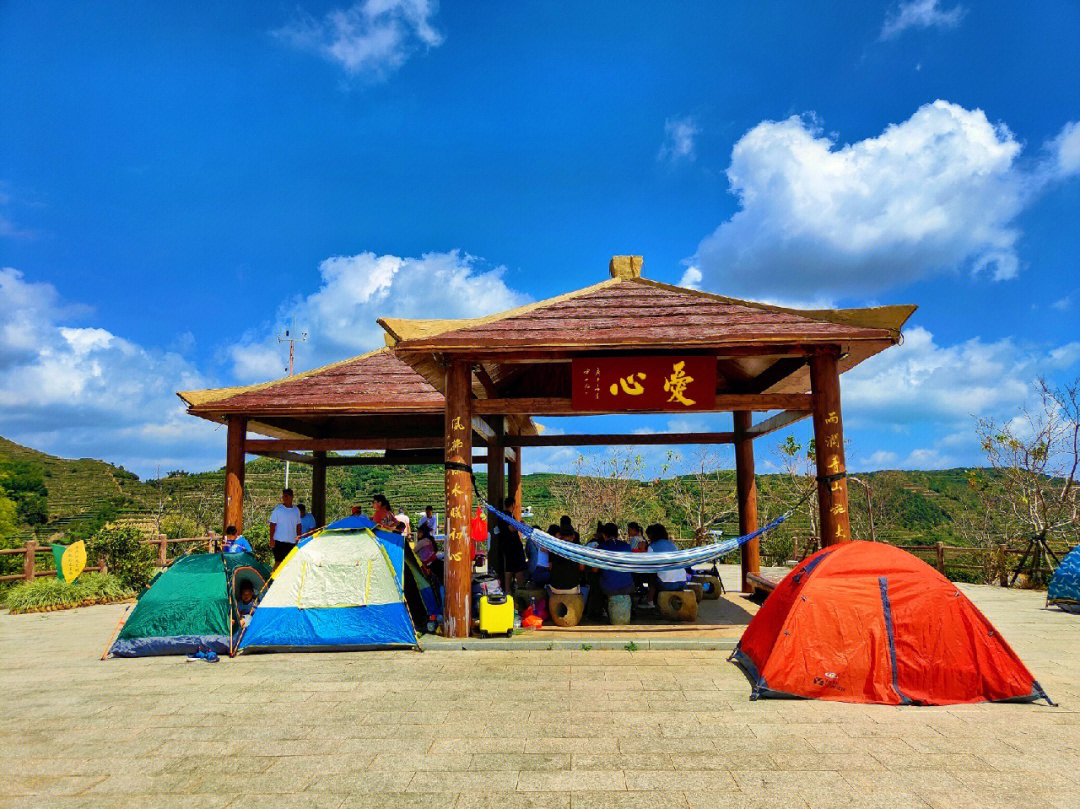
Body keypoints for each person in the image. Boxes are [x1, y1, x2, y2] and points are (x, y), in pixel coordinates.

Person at [646, 523, 689, 601]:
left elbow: (650, 566)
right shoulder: (672, 545)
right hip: (682, 582)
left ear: (652, 535)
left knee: (651, 575)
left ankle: (650, 601)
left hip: (666, 584)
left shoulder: (651, 547)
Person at [495, 496, 527, 593]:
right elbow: (511, 528)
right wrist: (520, 525)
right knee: (518, 568)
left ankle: (508, 590)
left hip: (507, 545)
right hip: (512, 546)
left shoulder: (504, 515)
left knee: (509, 568)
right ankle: (521, 590)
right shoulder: (506, 516)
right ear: (513, 505)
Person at [596, 522, 635, 599]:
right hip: (627, 586)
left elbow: (595, 569)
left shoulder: (601, 548)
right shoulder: (626, 546)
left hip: (609, 588)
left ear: (604, 535)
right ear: (617, 534)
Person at [269, 488, 302, 567]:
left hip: (292, 542)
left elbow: (298, 525)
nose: (284, 498)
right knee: (278, 562)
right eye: (283, 496)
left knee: (289, 564)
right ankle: (273, 579)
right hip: (279, 541)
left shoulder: (296, 510)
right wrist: (271, 539)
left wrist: (298, 538)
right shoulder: (278, 510)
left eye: (286, 496)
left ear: (291, 497)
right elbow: (272, 525)